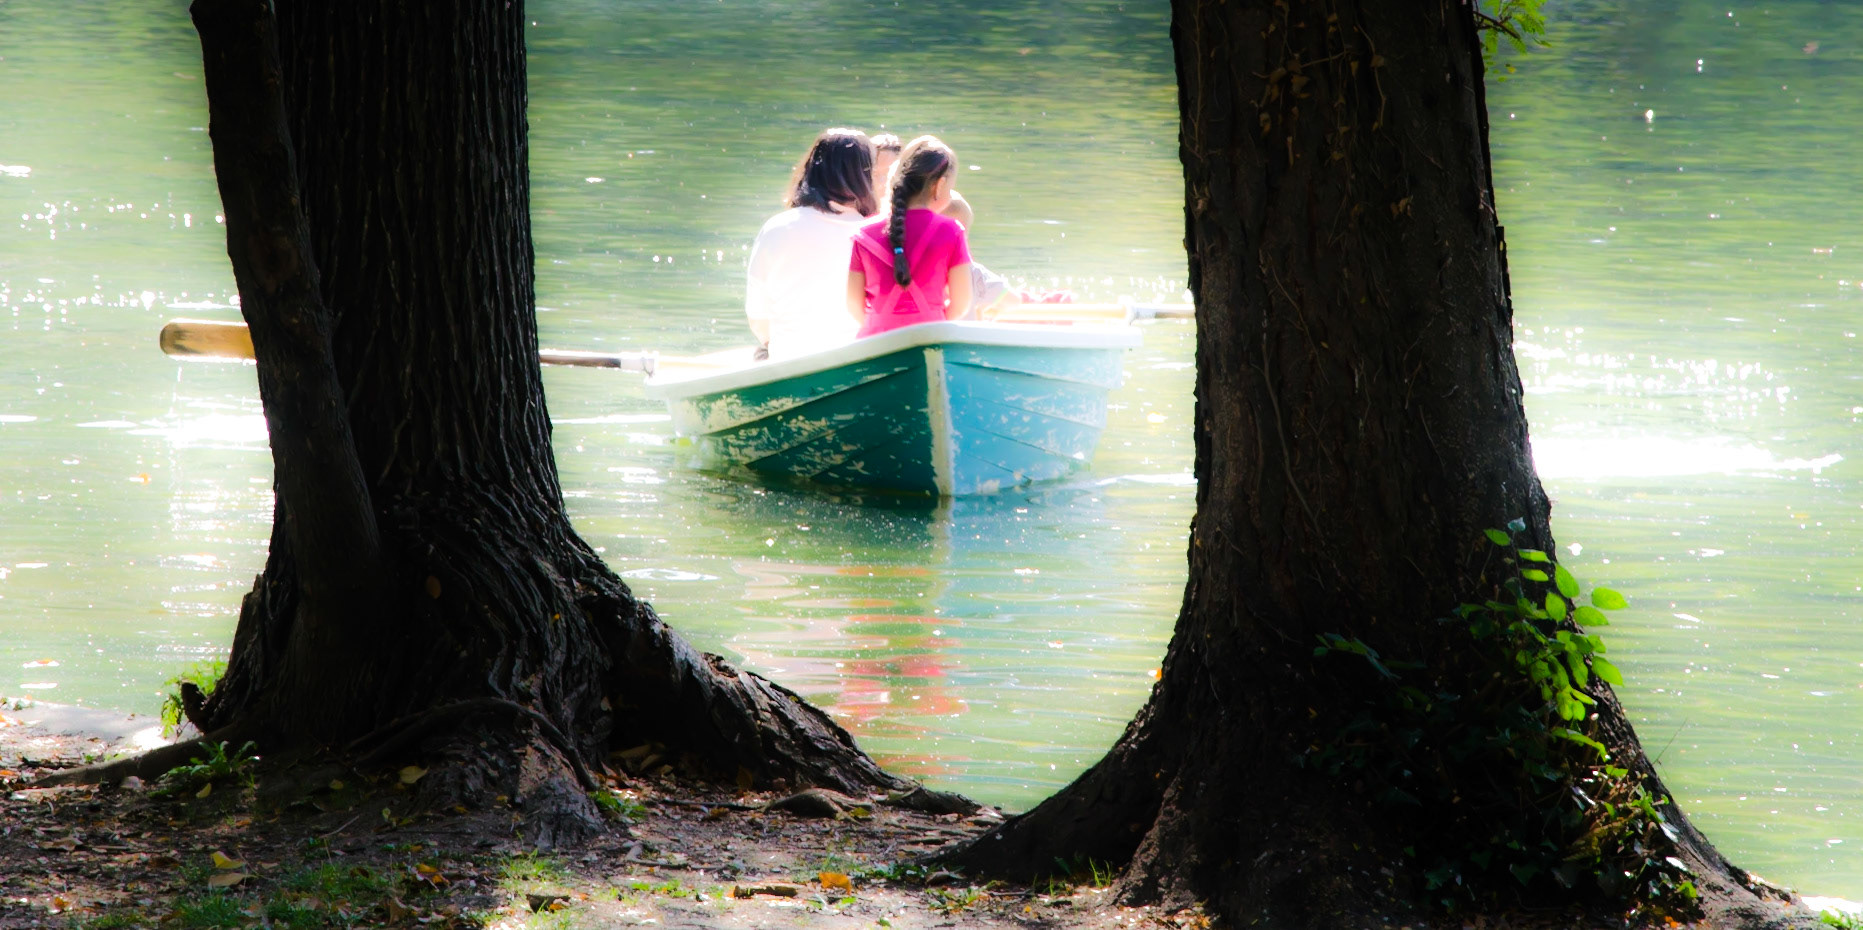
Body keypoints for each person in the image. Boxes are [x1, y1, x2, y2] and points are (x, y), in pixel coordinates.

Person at [744, 128, 877, 360]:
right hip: (855, 358)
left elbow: (757, 314)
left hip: (790, 356)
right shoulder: (874, 234)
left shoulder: (777, 226)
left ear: (811, 171)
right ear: (865, 178)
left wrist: (772, 344)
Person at [846, 135, 972, 337]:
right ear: (938, 186)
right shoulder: (952, 231)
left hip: (875, 341)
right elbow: (961, 304)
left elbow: (853, 304)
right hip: (930, 336)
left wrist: (880, 326)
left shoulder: (863, 233)